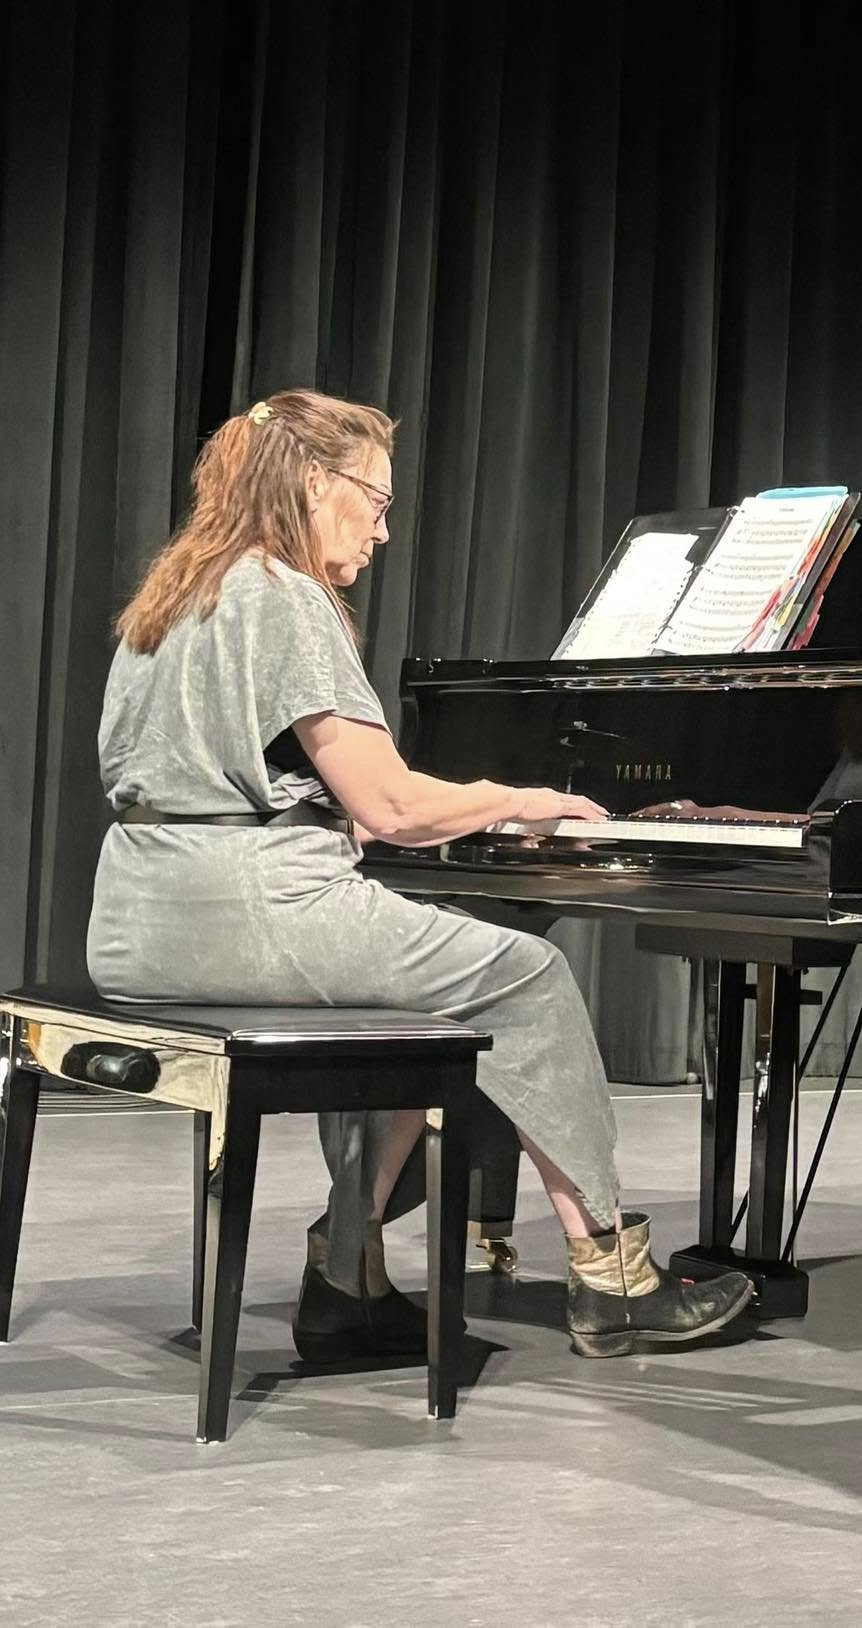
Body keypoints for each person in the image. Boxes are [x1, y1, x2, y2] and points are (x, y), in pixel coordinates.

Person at [87, 389, 754, 1363]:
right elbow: (390, 807)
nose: (386, 530)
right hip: (256, 914)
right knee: (527, 978)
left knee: (431, 996)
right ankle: (613, 1281)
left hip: (138, 924)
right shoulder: (287, 595)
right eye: (378, 499)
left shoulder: (175, 590)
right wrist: (516, 797)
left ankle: (347, 1277)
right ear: (317, 485)